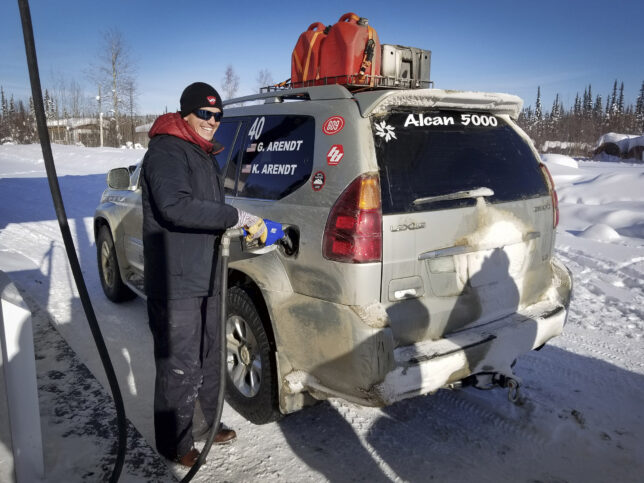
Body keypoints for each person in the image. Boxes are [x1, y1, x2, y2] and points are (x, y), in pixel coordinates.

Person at [141, 82, 267, 467]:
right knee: (181, 363)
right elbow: (175, 207)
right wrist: (235, 216)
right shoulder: (166, 150)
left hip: (208, 272)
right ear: (186, 114)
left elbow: (203, 209)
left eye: (217, 116)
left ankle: (205, 426)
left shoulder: (202, 153)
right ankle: (175, 443)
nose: (213, 121)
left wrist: (234, 227)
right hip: (177, 278)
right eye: (205, 114)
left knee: (210, 355)